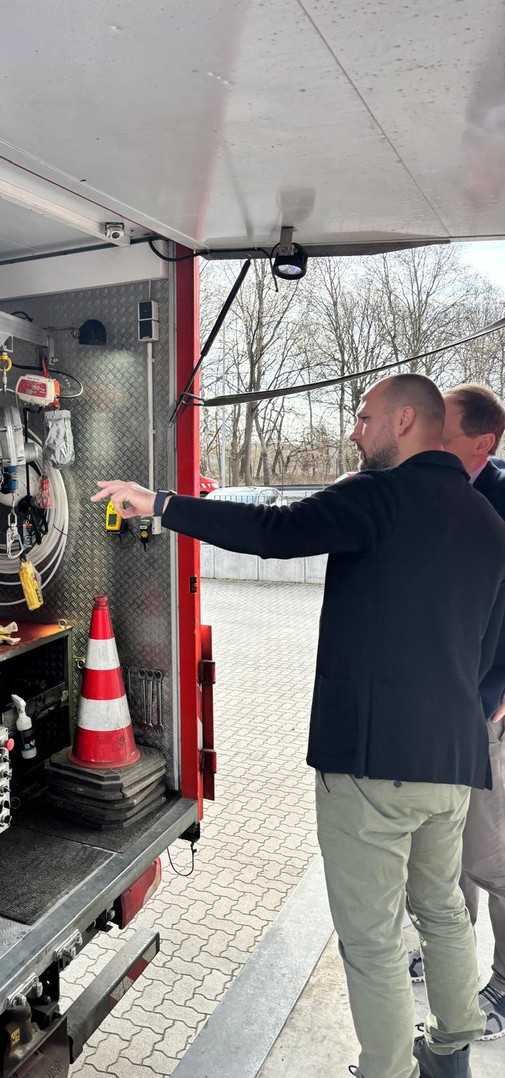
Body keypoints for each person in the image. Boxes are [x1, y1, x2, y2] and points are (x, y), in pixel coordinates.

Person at [93, 373, 505, 1078]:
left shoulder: (375, 497)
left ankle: (387, 1070)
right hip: (454, 761)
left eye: (364, 416)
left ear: (404, 421)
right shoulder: (487, 522)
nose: (354, 430)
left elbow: (271, 532)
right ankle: (451, 1050)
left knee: (371, 937)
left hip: (373, 763)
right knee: (440, 908)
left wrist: (160, 503)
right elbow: (489, 649)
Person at [406, 383, 505, 1041]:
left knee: (490, 856)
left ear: (482, 443)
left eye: (442, 433)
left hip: (484, 710)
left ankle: (503, 986)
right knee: (440, 844)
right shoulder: (430, 493)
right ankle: (448, 949)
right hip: (434, 706)